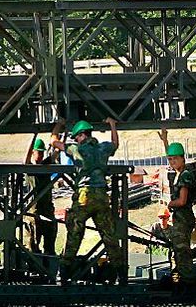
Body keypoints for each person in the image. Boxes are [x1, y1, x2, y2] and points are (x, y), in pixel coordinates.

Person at [50, 117, 125, 284]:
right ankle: (122, 275)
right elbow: (115, 143)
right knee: (109, 236)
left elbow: (53, 142)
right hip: (101, 197)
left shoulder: (76, 149)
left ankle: (62, 274)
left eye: (76, 136)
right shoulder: (103, 148)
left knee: (74, 235)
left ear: (79, 136)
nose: (76, 139)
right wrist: (112, 125)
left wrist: (59, 126)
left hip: (84, 196)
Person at [157, 129, 195, 287]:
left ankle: (186, 282)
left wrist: (167, 204)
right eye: (170, 159)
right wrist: (165, 141)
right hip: (177, 219)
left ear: (182, 158)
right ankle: (177, 280)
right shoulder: (179, 172)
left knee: (181, 252)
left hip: (183, 219)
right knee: (175, 251)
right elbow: (171, 156)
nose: (172, 162)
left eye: (174, 159)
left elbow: (182, 201)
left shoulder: (185, 175)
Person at [24, 135, 58, 256]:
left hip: (47, 209)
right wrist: (34, 136)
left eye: (42, 154)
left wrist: (61, 133)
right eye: (39, 153)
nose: (41, 156)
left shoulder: (46, 165)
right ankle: (34, 266)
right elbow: (26, 159)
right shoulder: (30, 169)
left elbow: (56, 152)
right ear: (33, 152)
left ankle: (49, 263)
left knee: (50, 242)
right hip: (34, 212)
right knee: (32, 244)